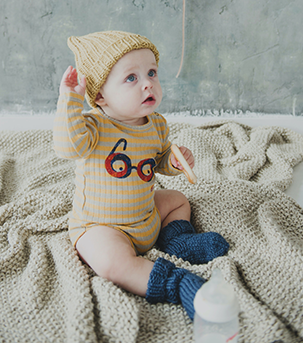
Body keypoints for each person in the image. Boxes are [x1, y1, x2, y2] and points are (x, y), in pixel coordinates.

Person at [53, 30, 229, 320]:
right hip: (101, 225)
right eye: (131, 78)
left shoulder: (156, 125)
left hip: (146, 215)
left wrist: (173, 162)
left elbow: (157, 161)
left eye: (152, 73)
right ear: (100, 95)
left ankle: (176, 240)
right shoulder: (93, 126)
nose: (148, 83)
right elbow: (67, 146)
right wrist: (70, 103)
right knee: (112, 264)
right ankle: (177, 283)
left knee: (177, 199)